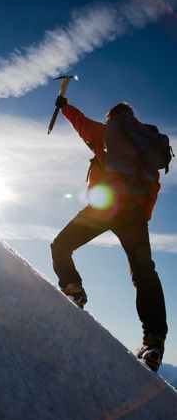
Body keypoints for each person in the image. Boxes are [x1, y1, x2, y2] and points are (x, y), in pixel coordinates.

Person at [50, 96, 168, 372]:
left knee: (61, 246)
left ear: (111, 117)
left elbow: (80, 123)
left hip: (106, 207)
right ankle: (154, 342)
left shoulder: (107, 131)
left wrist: (63, 105)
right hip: (136, 213)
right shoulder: (148, 139)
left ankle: (74, 290)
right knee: (144, 273)